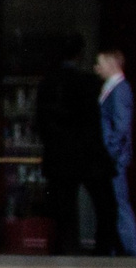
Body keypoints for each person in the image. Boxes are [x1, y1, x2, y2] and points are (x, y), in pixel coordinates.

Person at [36, 33, 112, 255]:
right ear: (80, 55)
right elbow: (92, 122)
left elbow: (42, 123)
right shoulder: (87, 83)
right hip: (86, 155)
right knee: (105, 207)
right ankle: (101, 254)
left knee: (63, 214)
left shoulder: (47, 84)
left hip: (60, 157)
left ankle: (63, 252)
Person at [97, 46, 136, 255]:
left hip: (114, 160)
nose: (97, 68)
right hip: (113, 158)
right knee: (116, 206)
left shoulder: (120, 89)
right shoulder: (114, 88)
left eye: (101, 64)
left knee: (120, 206)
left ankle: (132, 253)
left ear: (112, 64)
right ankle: (119, 250)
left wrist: (109, 153)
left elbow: (121, 127)